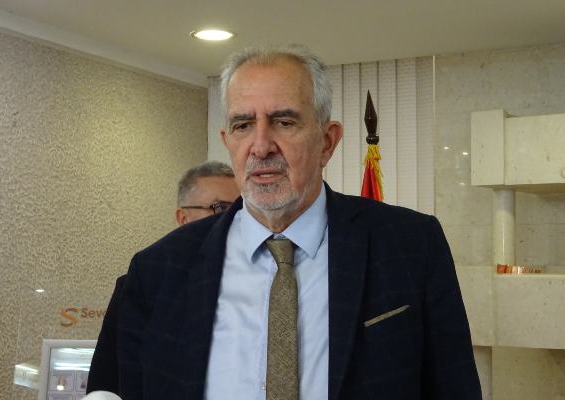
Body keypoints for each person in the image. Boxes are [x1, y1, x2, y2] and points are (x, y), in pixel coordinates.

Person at [118, 45, 481, 399]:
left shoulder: (412, 246)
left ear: (327, 142)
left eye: (284, 122)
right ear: (227, 141)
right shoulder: (157, 270)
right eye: (243, 125)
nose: (261, 146)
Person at [86, 161, 239, 394]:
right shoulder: (141, 287)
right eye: (220, 209)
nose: (231, 221)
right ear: (183, 218)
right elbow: (108, 383)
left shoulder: (250, 285)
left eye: (240, 211)